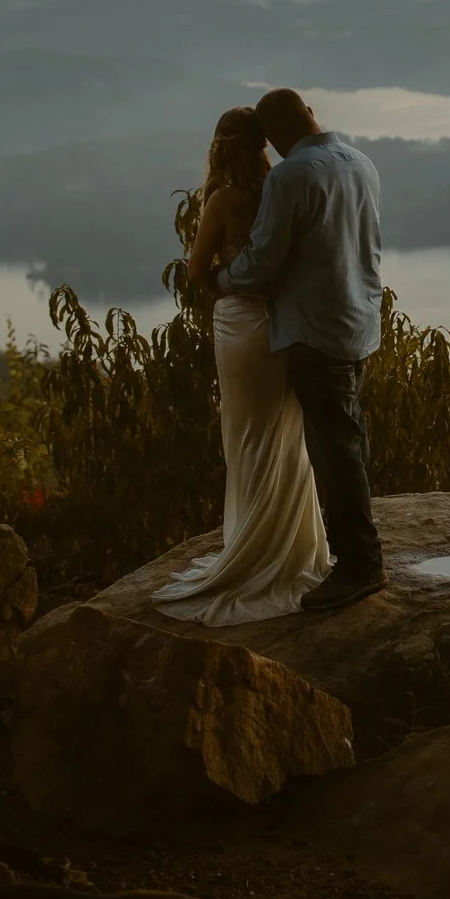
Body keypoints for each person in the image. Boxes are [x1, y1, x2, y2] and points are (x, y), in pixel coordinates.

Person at [197, 86, 387, 611]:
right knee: (348, 440)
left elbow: (261, 261)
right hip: (358, 321)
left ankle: (360, 566)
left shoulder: (291, 176)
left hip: (314, 329)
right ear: (310, 114)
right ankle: (358, 555)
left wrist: (221, 280)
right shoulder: (361, 162)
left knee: (333, 450)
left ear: (276, 136)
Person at [151, 107, 333, 624]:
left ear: (220, 146)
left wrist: (228, 289)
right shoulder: (281, 186)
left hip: (241, 326)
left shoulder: (224, 199)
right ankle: (293, 550)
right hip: (287, 322)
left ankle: (253, 550)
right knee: (285, 434)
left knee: (248, 434)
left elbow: (195, 270)